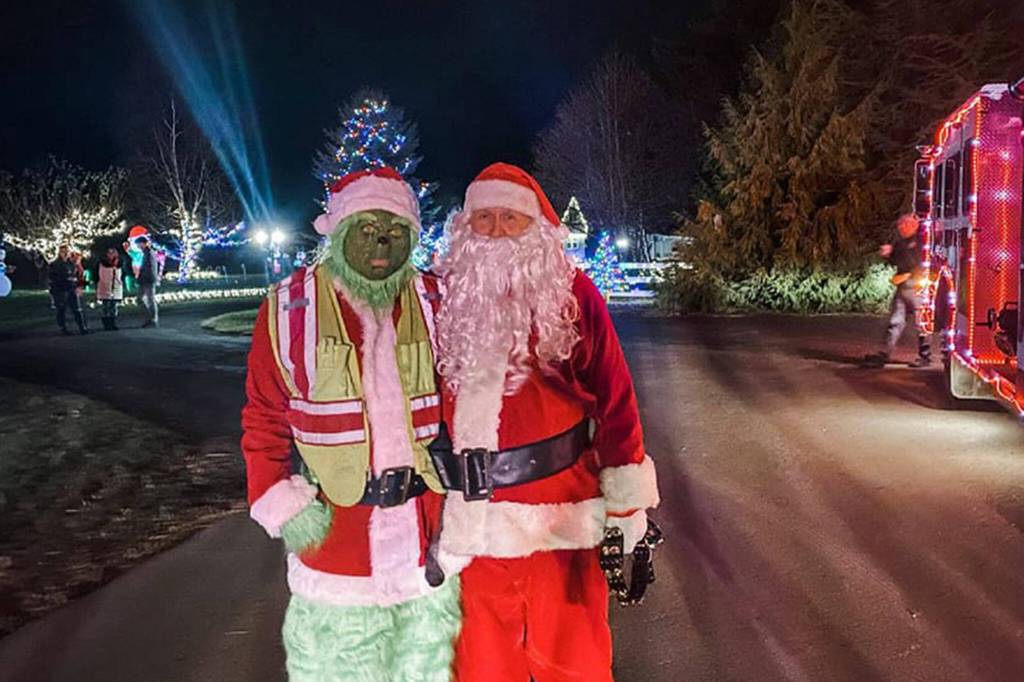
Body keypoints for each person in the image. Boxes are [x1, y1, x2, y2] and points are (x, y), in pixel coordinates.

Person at [433, 163, 660, 681]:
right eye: (483, 219)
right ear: (465, 231)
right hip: (475, 528)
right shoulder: (445, 302)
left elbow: (615, 399)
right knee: (481, 668)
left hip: (564, 516)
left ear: (537, 228)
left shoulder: (575, 295)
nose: (494, 230)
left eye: (509, 218)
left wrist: (626, 503)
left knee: (574, 664)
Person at [241, 167, 460, 681]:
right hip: (337, 546)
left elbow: (467, 400)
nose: (382, 242)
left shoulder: (437, 302)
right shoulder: (290, 309)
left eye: (395, 229)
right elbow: (263, 416)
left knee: (426, 668)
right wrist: (278, 499)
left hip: (425, 541)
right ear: (337, 232)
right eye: (365, 228)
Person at [863, 214, 932, 368]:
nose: (901, 227)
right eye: (900, 224)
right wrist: (888, 255)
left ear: (913, 226)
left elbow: (925, 263)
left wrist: (908, 275)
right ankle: (884, 354)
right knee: (895, 321)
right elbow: (897, 260)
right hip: (903, 287)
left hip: (917, 287)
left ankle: (925, 356)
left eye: (904, 224)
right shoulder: (900, 243)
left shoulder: (922, 243)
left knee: (922, 323)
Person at [48, 245, 89, 335]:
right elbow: (52, 277)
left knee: (77, 309)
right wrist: (66, 279)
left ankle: (82, 327)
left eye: (67, 252)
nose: (66, 254)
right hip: (60, 290)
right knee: (61, 309)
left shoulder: (71, 264)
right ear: (59, 253)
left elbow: (77, 275)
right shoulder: (54, 264)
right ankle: (63, 329)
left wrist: (79, 285)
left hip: (71, 288)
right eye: (63, 252)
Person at [134, 237, 159, 328]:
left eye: (138, 244)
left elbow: (150, 268)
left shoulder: (149, 253)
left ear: (143, 243)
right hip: (145, 279)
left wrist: (146, 278)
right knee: (142, 299)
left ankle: (151, 319)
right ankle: (149, 318)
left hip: (148, 280)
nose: (137, 246)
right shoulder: (146, 253)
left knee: (149, 300)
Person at [96, 247, 124, 331]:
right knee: (106, 307)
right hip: (105, 287)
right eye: (109, 253)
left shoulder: (119, 263)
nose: (111, 255)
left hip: (116, 288)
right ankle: (106, 325)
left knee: (114, 307)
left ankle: (113, 323)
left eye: (113, 253)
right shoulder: (102, 263)